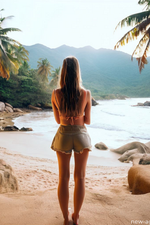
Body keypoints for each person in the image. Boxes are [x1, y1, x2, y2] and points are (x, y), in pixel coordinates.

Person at [51, 56, 92, 225]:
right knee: (80, 177)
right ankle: (76, 216)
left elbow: (57, 120)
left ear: (63, 72)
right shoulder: (86, 94)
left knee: (64, 178)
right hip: (81, 135)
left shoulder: (55, 94)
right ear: (77, 72)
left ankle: (65, 217)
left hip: (64, 135)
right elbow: (87, 120)